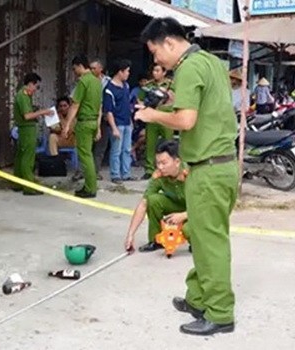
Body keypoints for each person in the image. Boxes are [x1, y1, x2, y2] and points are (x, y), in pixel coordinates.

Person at [135, 17, 238, 336]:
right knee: (203, 237)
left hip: (209, 168)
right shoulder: (211, 62)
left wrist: (152, 114)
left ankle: (220, 314)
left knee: (210, 243)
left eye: (155, 52)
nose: (156, 60)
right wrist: (166, 100)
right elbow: (200, 106)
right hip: (215, 165)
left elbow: (187, 120)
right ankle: (199, 298)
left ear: (169, 42)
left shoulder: (189, 67)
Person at [124, 140, 188, 253]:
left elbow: (207, 203)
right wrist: (130, 234)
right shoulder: (159, 175)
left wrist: (183, 215)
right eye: (158, 163)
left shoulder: (190, 172)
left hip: (196, 209)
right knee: (152, 200)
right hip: (177, 204)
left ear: (177, 162)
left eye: (164, 163)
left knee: (188, 230)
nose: (160, 167)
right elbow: (143, 204)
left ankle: (199, 240)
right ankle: (157, 240)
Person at [62, 55, 102, 198]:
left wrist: (67, 125)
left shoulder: (84, 81)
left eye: (74, 69)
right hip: (93, 121)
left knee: (85, 156)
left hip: (84, 122)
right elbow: (99, 107)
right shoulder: (97, 81)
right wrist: (98, 126)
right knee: (88, 154)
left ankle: (90, 188)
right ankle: (90, 186)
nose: (74, 72)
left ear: (80, 66)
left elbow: (75, 105)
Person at [13, 73, 53, 195]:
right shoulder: (23, 96)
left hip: (25, 129)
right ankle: (28, 187)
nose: (36, 90)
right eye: (36, 86)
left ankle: (18, 182)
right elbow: (27, 116)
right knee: (28, 158)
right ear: (30, 84)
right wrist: (43, 112)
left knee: (21, 156)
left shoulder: (24, 95)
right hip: (27, 129)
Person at [139, 64, 174, 179]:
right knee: (150, 144)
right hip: (152, 117)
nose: (155, 73)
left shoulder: (171, 85)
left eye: (158, 70)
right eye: (154, 70)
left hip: (166, 117)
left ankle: (170, 168)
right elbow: (140, 99)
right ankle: (149, 169)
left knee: (168, 144)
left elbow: (176, 99)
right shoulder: (148, 85)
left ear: (164, 72)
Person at [104, 58, 135, 184]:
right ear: (120, 72)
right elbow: (109, 111)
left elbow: (127, 106)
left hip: (127, 123)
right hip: (117, 123)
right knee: (116, 151)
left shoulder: (126, 86)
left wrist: (131, 121)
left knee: (127, 149)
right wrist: (114, 128)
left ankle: (126, 173)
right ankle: (115, 174)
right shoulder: (109, 89)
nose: (128, 73)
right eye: (127, 71)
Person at [91, 59, 110, 180]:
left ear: (100, 69)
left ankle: (95, 171)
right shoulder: (86, 81)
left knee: (101, 146)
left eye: (94, 68)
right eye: (91, 68)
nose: (92, 70)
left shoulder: (108, 82)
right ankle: (81, 171)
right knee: (87, 147)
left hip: (104, 116)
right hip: (90, 116)